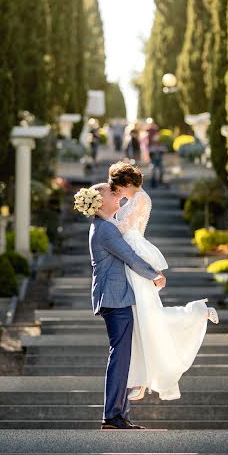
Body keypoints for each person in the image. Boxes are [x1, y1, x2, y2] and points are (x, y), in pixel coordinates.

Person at [107, 161, 219, 401]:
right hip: (129, 256)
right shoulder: (131, 199)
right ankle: (142, 378)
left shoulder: (141, 199)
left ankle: (198, 312)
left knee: (147, 316)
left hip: (134, 255)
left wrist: (98, 213)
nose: (116, 191)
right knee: (141, 318)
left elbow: (122, 228)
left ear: (127, 183)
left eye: (117, 186)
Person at [74, 183, 166, 430]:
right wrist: (154, 275)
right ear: (100, 201)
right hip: (115, 299)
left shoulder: (104, 226)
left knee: (124, 357)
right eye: (111, 193)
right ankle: (112, 415)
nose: (117, 196)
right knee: (120, 356)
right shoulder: (105, 230)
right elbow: (129, 257)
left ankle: (119, 414)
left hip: (116, 298)